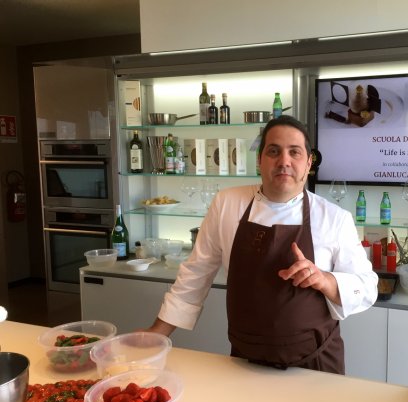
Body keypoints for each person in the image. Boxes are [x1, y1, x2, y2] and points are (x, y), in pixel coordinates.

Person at [146, 115, 378, 374]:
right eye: (274, 151)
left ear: (309, 163)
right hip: (245, 362)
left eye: (295, 153)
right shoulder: (227, 203)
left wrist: (324, 279)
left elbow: (368, 288)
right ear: (259, 160)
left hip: (315, 366)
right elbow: (196, 274)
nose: (284, 162)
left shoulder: (334, 218)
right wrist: (157, 334)